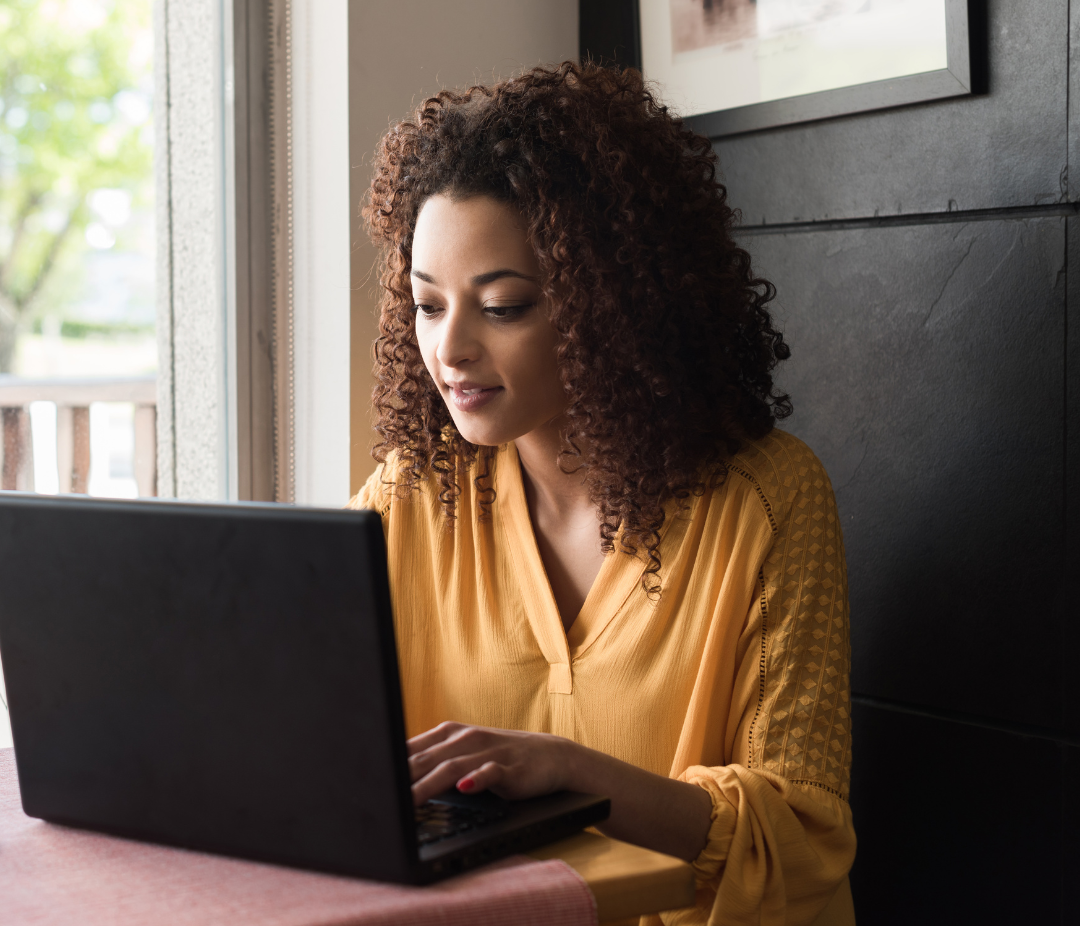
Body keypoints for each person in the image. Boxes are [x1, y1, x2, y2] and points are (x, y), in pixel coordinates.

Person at [350, 61, 855, 926]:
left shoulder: (766, 500)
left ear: (612, 303)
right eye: (429, 307)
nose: (452, 350)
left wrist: (574, 773)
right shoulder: (409, 500)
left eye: (502, 306)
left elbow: (800, 834)